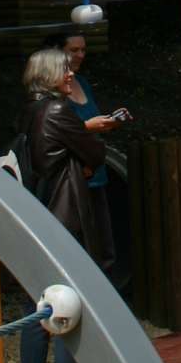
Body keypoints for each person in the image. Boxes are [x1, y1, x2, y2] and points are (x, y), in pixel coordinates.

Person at [8, 46, 113, 363]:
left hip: (38, 211)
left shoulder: (28, 111)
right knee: (71, 299)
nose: (71, 74)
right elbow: (95, 153)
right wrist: (85, 159)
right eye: (64, 69)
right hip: (65, 214)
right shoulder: (57, 111)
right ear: (48, 76)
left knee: (36, 302)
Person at [50, 26, 133, 294]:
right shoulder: (53, 92)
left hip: (96, 172)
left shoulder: (82, 83)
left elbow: (85, 124)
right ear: (57, 53)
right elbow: (56, 132)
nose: (80, 55)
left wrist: (107, 123)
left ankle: (103, 299)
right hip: (72, 177)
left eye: (83, 49)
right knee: (77, 245)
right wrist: (87, 127)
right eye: (73, 50)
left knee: (104, 247)